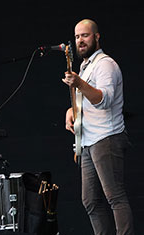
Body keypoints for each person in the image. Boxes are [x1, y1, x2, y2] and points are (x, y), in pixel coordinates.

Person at [62, 19, 134, 235]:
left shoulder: (105, 64)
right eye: (76, 37)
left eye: (85, 35)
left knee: (115, 197)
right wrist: (70, 111)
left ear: (96, 36)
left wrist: (79, 84)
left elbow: (104, 100)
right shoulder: (86, 67)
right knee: (90, 201)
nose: (80, 41)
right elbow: (84, 101)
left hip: (106, 137)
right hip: (88, 141)